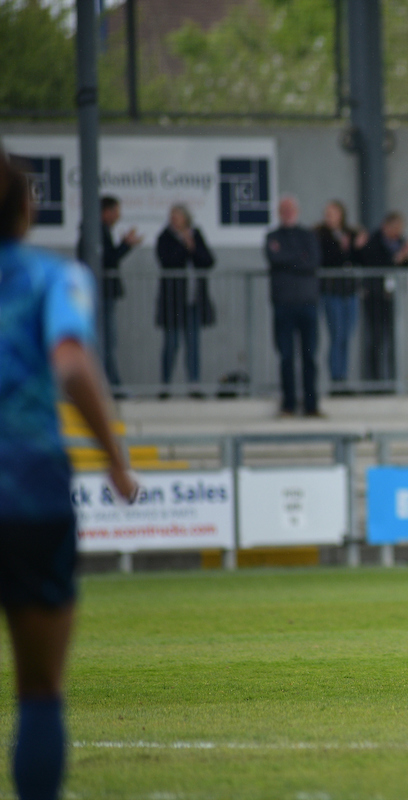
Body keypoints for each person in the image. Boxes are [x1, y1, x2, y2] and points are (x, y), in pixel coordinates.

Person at [1, 148, 138, 800]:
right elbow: (73, 362)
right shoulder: (55, 277)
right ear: (27, 209)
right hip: (29, 491)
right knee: (39, 692)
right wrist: (115, 457)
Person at [76, 195, 141, 392]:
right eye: (117, 212)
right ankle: (111, 385)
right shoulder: (96, 232)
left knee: (106, 340)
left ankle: (110, 383)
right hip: (102, 293)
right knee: (105, 340)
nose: (118, 217)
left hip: (102, 292)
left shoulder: (97, 231)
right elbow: (108, 259)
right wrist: (126, 245)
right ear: (107, 212)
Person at [265, 196, 322, 418]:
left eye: (291, 209)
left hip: (307, 303)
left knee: (309, 356)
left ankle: (311, 405)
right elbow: (274, 259)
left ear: (297, 211)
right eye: (284, 209)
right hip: (283, 303)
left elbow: (312, 262)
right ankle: (288, 404)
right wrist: (298, 257)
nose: (288, 212)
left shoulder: (307, 235)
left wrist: (287, 259)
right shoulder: (273, 236)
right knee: (286, 356)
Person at [155, 204, 215, 397]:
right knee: (171, 344)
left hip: (193, 301)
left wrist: (193, 247)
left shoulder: (196, 235)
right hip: (173, 302)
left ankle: (194, 385)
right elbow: (167, 260)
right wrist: (184, 246)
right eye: (172, 217)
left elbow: (208, 260)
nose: (174, 220)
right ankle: (165, 385)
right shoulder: (165, 237)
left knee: (193, 344)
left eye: (178, 217)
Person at [357, 211, 408, 388]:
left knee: (391, 339)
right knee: (375, 340)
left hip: (391, 297)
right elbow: (374, 263)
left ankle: (390, 380)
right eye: (395, 228)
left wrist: (403, 257)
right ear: (386, 226)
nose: (398, 232)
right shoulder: (373, 241)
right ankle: (374, 382)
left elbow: (407, 265)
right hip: (374, 296)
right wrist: (398, 257)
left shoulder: (400, 242)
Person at [315, 200, 367, 394]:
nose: (329, 217)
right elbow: (326, 260)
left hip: (350, 291)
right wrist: (342, 248)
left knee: (347, 336)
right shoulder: (321, 235)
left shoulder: (351, 234)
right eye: (327, 213)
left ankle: (343, 378)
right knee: (336, 336)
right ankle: (336, 380)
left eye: (333, 213)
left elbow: (359, 260)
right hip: (332, 292)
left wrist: (358, 246)